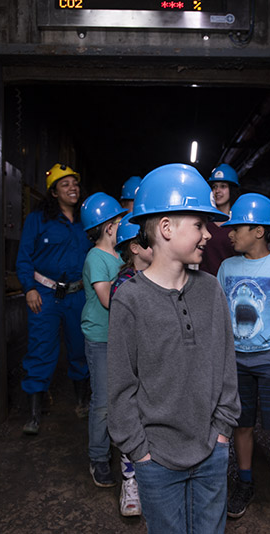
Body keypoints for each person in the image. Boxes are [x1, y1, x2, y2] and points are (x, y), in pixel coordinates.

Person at [107, 163, 241, 534]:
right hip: (157, 460)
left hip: (211, 451)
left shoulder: (211, 290)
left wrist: (222, 432)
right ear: (166, 228)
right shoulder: (129, 300)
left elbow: (226, 366)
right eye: (198, 224)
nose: (207, 235)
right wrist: (140, 451)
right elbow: (120, 387)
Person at [216, 193, 270, 521]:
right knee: (242, 425)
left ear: (260, 231)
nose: (230, 233)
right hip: (236, 361)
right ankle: (246, 481)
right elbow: (221, 315)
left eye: (238, 227)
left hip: (269, 360)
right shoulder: (226, 267)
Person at [16, 163, 92, 435]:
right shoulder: (38, 219)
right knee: (40, 350)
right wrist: (29, 289)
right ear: (54, 192)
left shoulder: (86, 220)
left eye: (75, 183)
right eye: (65, 184)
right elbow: (24, 257)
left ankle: (82, 403)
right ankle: (34, 415)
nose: (73, 188)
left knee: (81, 348)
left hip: (78, 294)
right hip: (46, 294)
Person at [79, 192, 128, 489]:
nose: (122, 224)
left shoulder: (120, 256)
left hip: (119, 338)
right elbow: (109, 299)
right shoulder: (96, 258)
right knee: (102, 403)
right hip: (100, 338)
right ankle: (98, 457)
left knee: (121, 399)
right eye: (120, 220)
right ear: (109, 226)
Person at [108, 213, 153, 517]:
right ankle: (130, 481)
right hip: (133, 363)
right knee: (131, 418)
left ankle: (151, 480)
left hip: (156, 364)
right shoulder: (123, 284)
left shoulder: (161, 277)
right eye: (147, 242)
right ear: (134, 248)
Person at [199, 163, 240, 276]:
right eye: (214, 187)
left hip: (232, 283)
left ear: (231, 189)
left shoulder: (239, 222)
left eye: (223, 186)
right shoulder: (204, 221)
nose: (217, 191)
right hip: (206, 283)